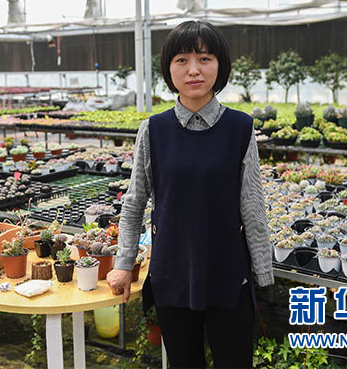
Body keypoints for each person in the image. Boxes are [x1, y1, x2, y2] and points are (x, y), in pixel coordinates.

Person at [106, 20, 273, 368]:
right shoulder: (153, 130)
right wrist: (123, 264)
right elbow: (134, 203)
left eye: (204, 58)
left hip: (227, 272)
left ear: (220, 66)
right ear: (169, 69)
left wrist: (262, 272)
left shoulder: (240, 128)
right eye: (182, 60)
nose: (193, 70)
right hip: (173, 272)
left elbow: (252, 205)